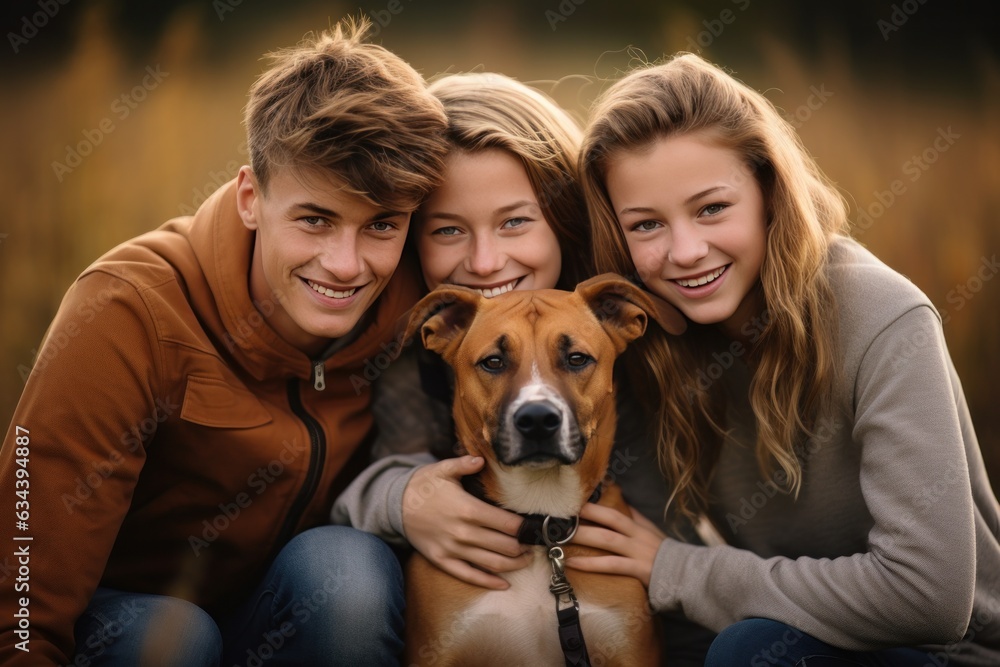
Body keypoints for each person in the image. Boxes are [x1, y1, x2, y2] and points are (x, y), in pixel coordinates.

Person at [0, 18, 449, 665]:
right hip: (124, 627)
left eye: (382, 224)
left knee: (348, 575)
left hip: (278, 613)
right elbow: (22, 582)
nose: (347, 265)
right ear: (250, 197)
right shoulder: (127, 310)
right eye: (315, 219)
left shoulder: (419, 295)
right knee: (174, 639)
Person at [566, 51, 1000, 665]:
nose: (685, 251)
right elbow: (646, 566)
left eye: (712, 208)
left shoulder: (881, 316)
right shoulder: (640, 338)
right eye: (645, 225)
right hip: (786, 627)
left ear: (770, 192)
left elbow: (928, 597)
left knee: (750, 649)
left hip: (953, 653)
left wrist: (682, 570)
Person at [332, 71, 591, 591]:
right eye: (448, 229)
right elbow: (377, 469)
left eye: (515, 221)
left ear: (564, 218)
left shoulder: (613, 324)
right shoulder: (411, 334)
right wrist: (405, 499)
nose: (486, 262)